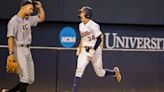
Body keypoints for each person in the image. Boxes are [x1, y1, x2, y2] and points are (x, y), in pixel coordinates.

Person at [72, 6, 121, 92]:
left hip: (95, 50)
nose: (80, 14)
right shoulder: (80, 25)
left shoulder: (94, 25)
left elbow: (99, 39)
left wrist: (93, 49)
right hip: (84, 50)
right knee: (79, 70)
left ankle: (114, 73)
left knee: (100, 73)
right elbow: (83, 38)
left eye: (82, 12)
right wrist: (79, 48)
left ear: (87, 14)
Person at [2, 0, 45, 92]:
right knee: (24, 77)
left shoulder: (28, 19)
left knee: (30, 79)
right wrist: (11, 53)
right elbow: (10, 38)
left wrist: (40, 8)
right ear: (23, 7)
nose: (31, 11)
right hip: (18, 49)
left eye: (32, 9)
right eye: (30, 9)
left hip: (27, 49)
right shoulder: (14, 21)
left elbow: (41, 18)